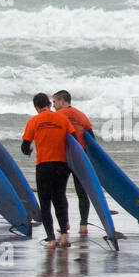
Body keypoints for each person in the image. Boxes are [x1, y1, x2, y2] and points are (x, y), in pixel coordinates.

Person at [21, 92, 79, 247]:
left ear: (36, 107)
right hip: (62, 165)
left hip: (44, 165)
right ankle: (65, 236)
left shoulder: (34, 121)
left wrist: (30, 150)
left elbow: (25, 147)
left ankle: (51, 239)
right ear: (48, 103)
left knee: (45, 202)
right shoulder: (63, 118)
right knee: (59, 199)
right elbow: (74, 141)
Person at [51, 90, 93, 235]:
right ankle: (83, 225)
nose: (53, 106)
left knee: (60, 192)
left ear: (62, 101)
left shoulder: (57, 116)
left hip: (63, 158)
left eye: (55, 102)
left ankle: (65, 224)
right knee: (82, 192)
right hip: (80, 157)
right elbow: (91, 139)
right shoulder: (82, 115)